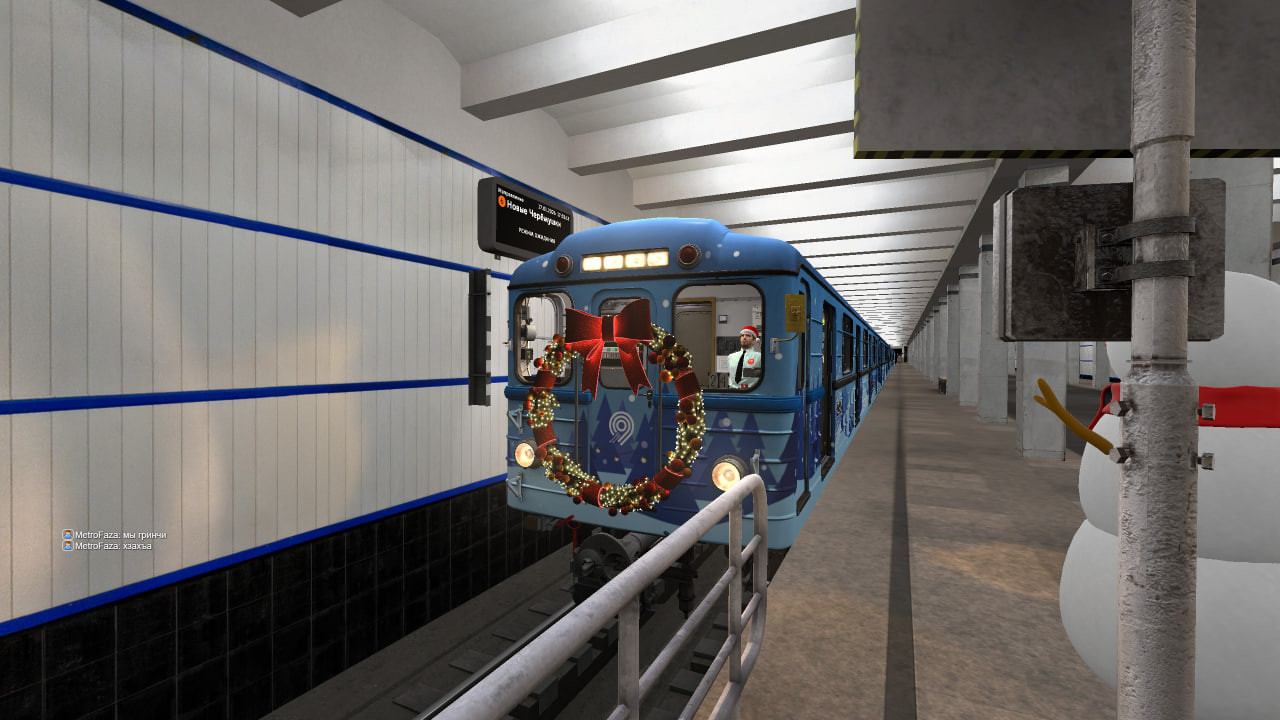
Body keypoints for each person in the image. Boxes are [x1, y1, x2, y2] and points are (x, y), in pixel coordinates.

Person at [725, 325, 762, 390]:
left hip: (750, 391)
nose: (744, 337)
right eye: (742, 335)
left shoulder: (759, 357)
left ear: (754, 341)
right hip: (732, 391)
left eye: (748, 335)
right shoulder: (731, 357)